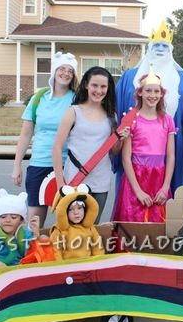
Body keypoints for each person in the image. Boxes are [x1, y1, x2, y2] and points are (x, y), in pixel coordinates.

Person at [114, 21, 183, 195]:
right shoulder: (129, 77)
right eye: (156, 45)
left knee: (169, 198)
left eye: (164, 45)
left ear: (170, 49)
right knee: (133, 199)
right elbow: (115, 113)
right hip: (134, 148)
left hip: (172, 146)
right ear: (149, 48)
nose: (160, 49)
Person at [52, 66, 129, 223]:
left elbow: (113, 151)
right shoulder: (73, 111)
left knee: (92, 228)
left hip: (100, 182)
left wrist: (121, 139)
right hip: (74, 180)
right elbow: (57, 147)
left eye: (103, 86)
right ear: (86, 84)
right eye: (95, 85)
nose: (98, 91)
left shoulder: (111, 115)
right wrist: (61, 183)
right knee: (71, 229)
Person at [12, 51, 78, 229]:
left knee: (67, 222)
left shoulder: (77, 99)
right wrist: (17, 165)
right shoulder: (38, 98)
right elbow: (25, 135)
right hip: (38, 164)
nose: (65, 73)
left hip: (67, 167)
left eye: (70, 71)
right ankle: (33, 254)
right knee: (35, 223)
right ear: (54, 72)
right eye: (62, 69)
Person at [112, 69, 176, 223]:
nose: (152, 95)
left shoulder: (167, 120)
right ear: (140, 92)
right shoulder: (132, 119)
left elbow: (171, 156)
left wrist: (165, 187)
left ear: (161, 94)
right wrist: (138, 191)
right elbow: (126, 158)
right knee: (133, 220)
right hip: (136, 178)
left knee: (159, 221)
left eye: (156, 91)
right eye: (148, 90)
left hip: (159, 179)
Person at [0, 188, 39, 267]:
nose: (8, 220)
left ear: (21, 220)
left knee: (43, 238)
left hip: (21, 271)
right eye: (3, 217)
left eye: (13, 217)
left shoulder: (26, 235)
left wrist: (36, 235)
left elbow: (32, 256)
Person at [49, 187, 105, 260]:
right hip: (68, 268)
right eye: (70, 209)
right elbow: (56, 253)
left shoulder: (90, 228)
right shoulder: (58, 231)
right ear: (64, 212)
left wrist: (98, 263)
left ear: (85, 210)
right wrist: (61, 268)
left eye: (79, 208)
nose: (76, 213)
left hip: (87, 266)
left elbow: (98, 248)